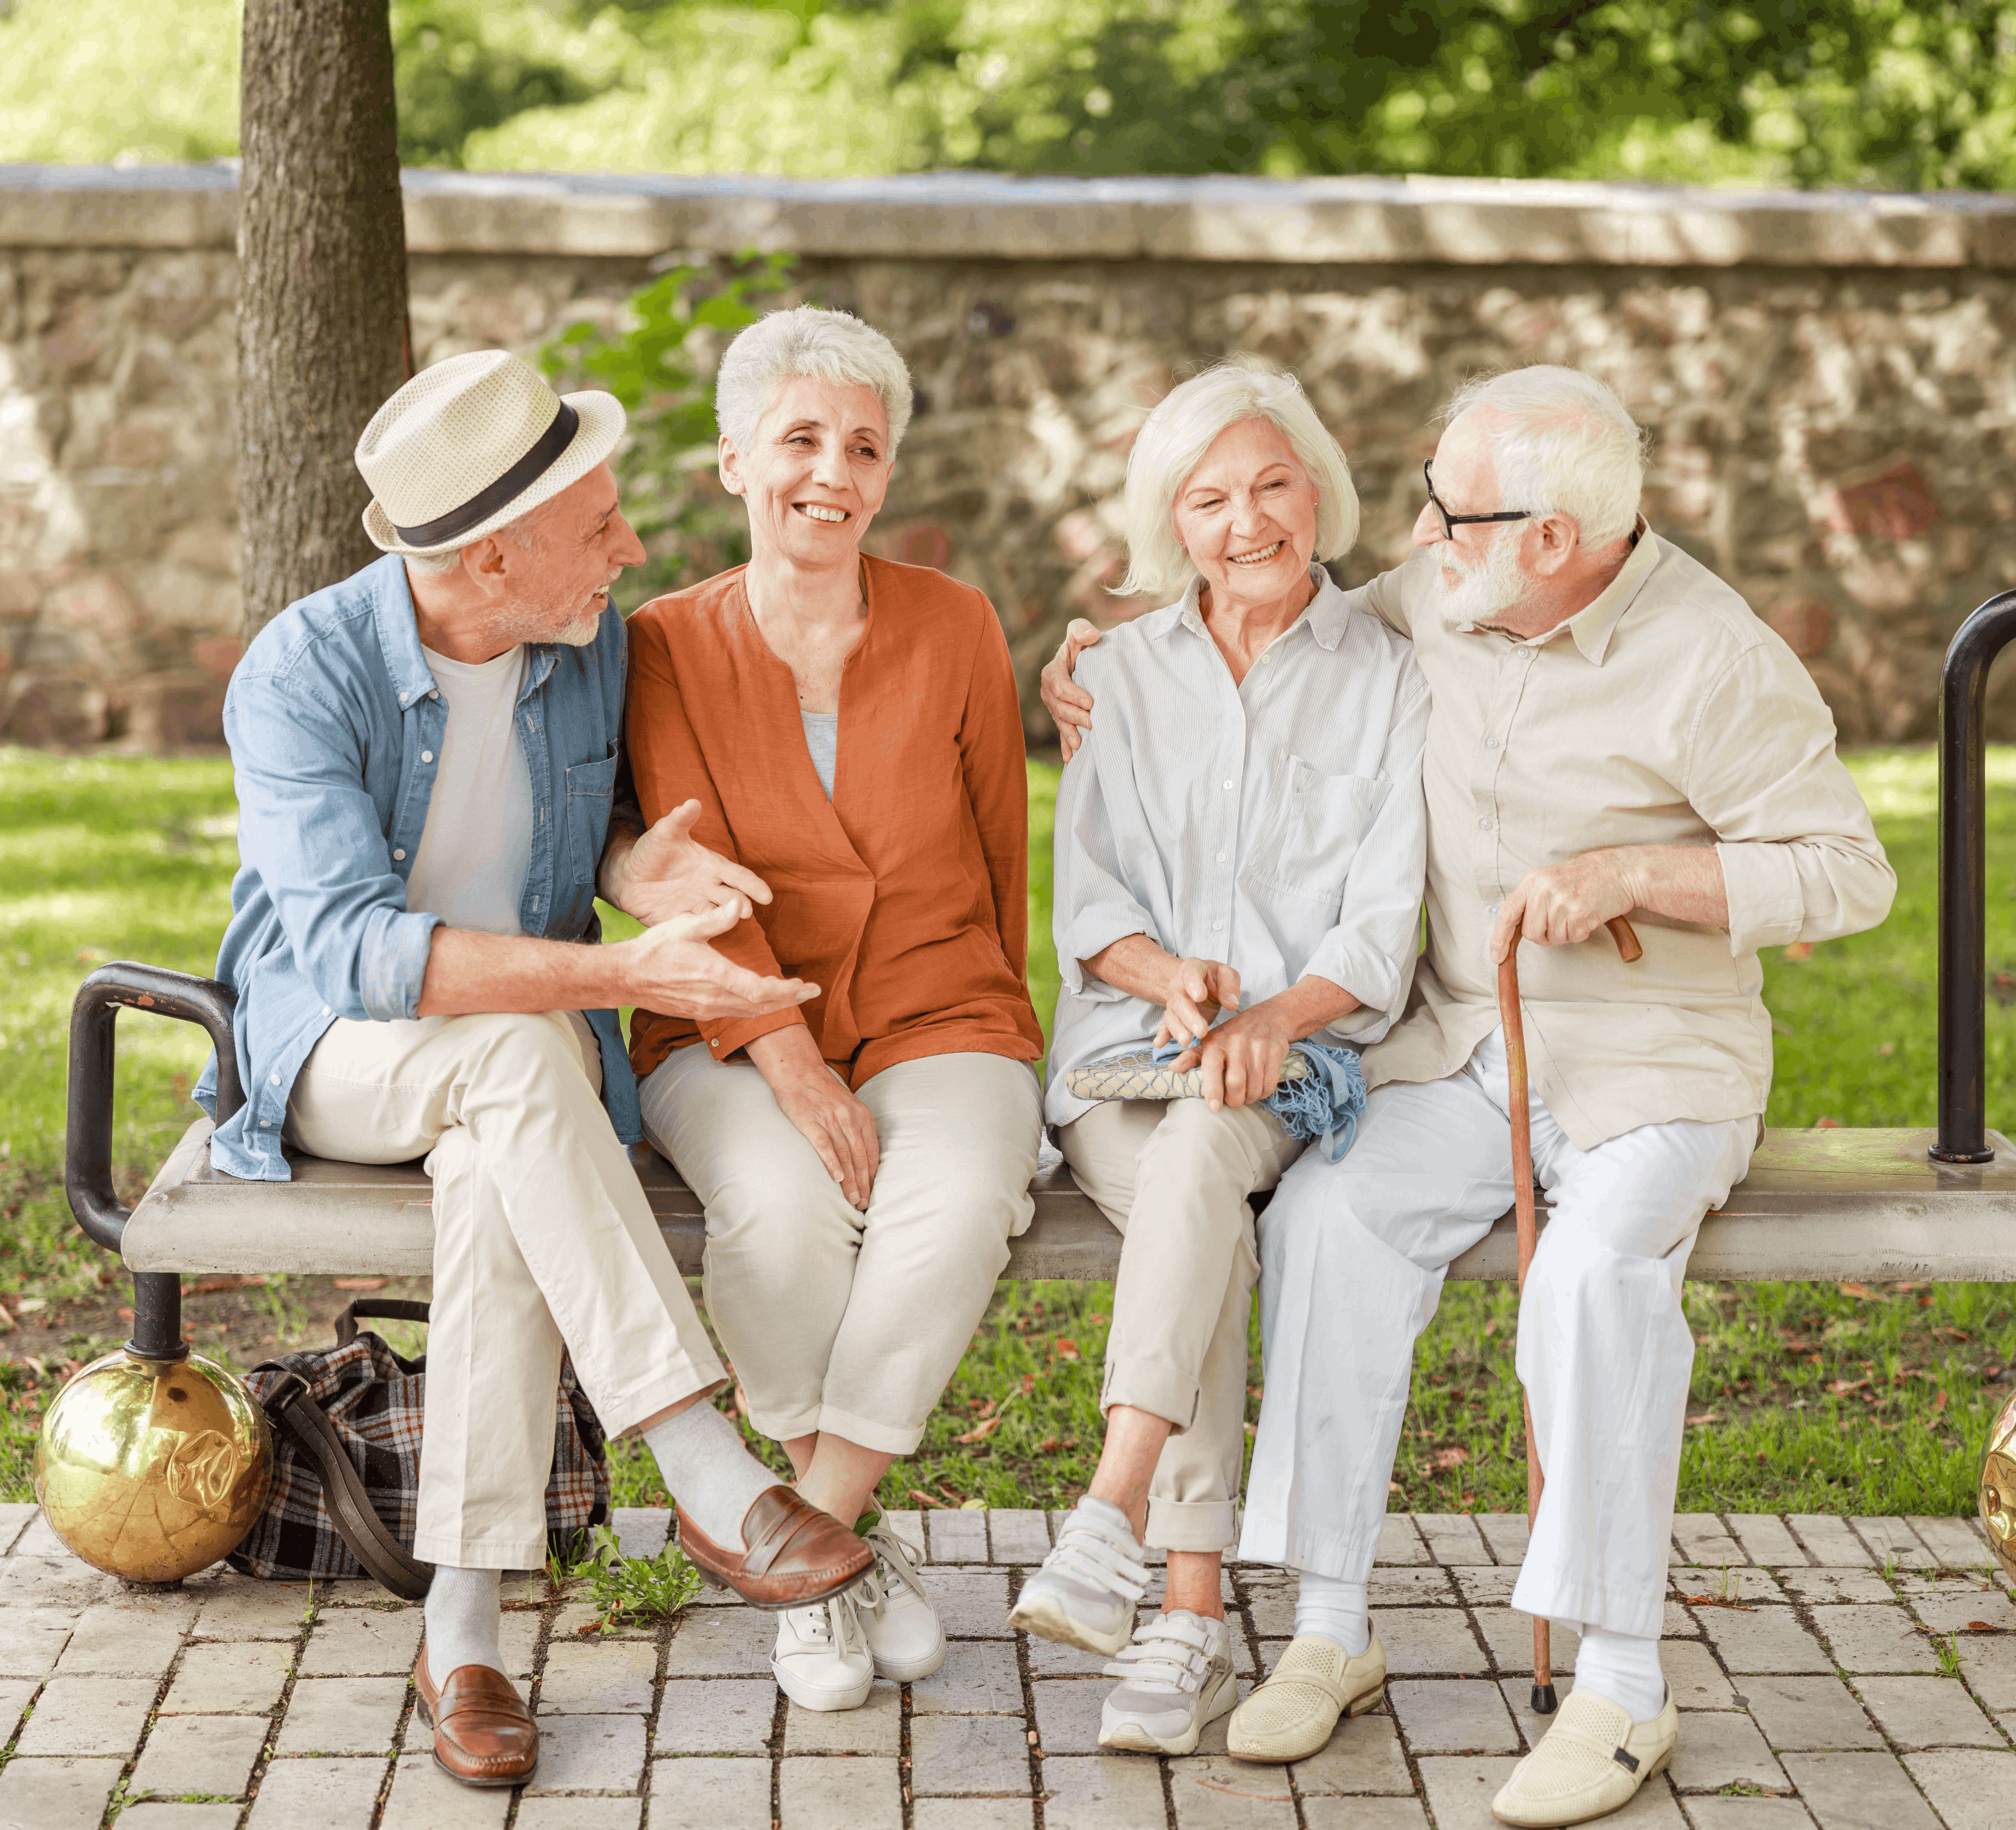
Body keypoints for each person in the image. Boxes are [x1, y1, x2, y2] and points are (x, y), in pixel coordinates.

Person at [1040, 365, 1895, 1826]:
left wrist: (1638, 875)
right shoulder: (1440, 591)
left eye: (1452, 511)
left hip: (1655, 1062)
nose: (1423, 532)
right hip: (1466, 1051)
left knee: (1593, 1275)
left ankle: (1621, 1682)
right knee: (1328, 1218)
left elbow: (1847, 872)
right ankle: (1330, 1625)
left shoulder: (1713, 656)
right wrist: (1091, 662)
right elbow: (1268, 612)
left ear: (1551, 538)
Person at [206, 350, 878, 1790]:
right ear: (493, 555)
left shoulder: (583, 642)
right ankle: (703, 1463)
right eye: (599, 524)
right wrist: (625, 977)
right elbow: (358, 957)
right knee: (520, 1055)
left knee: (498, 1162)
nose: (629, 548)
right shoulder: (304, 672)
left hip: (513, 1085)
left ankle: (463, 1635)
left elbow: (607, 823)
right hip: (341, 1053)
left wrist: (643, 872)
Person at [625, 307, 1046, 1714]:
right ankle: (848, 1562)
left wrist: (994, 1032)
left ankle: (812, 1537)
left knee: (964, 1191)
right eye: (800, 439)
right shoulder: (665, 644)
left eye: (864, 447)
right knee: (781, 1204)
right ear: (734, 460)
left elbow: (1002, 854)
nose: (832, 472)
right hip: (728, 1021)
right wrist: (794, 1063)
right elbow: (691, 875)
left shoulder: (957, 623)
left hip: (941, 1003)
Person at [1005, 361, 1429, 1756]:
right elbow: (1090, 900)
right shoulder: (1117, 674)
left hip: (1287, 1065)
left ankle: (1119, 1519)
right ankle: (1182, 1609)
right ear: (1171, 524)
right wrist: (1166, 975)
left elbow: (1383, 925)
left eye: (1271, 485)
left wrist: (1269, 1018)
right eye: (1209, 500)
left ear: (1319, 491)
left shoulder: (1389, 675)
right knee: (1204, 1223)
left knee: (1205, 1156)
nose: (1247, 522)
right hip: (1126, 1061)